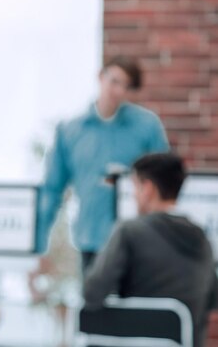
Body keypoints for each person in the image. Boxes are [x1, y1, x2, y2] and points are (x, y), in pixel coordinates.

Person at [36, 56, 169, 273]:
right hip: (91, 239)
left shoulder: (147, 126)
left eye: (126, 86)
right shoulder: (70, 131)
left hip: (137, 240)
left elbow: (165, 180)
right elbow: (52, 189)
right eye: (114, 81)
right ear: (101, 77)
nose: (118, 91)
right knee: (93, 304)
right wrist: (40, 244)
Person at [83, 152, 218, 347]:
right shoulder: (202, 239)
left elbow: (92, 293)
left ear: (147, 189)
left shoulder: (130, 231)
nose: (135, 196)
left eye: (135, 188)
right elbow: (213, 300)